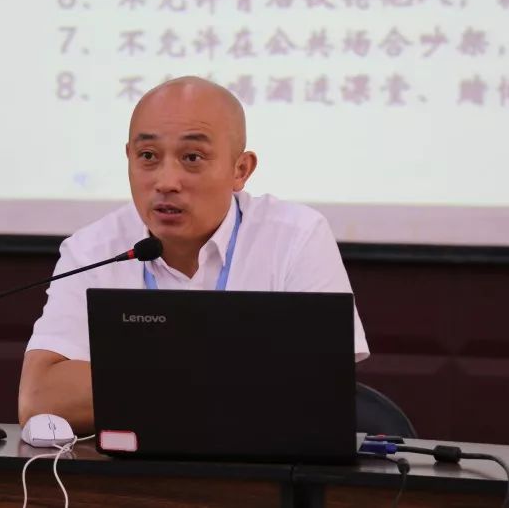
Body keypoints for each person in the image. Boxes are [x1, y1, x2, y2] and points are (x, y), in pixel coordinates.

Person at [18, 76, 369, 433]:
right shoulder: (93, 249)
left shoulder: (296, 237)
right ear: (129, 158)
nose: (167, 182)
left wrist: (139, 381)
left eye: (192, 158)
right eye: (148, 156)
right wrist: (230, 377)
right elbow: (40, 399)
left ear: (240, 170)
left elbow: (318, 390)